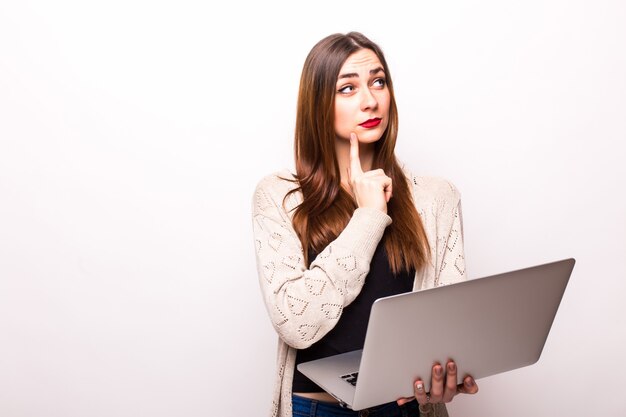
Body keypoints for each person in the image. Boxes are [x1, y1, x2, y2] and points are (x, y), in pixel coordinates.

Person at [252, 31, 479, 417]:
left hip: (403, 408)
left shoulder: (436, 198)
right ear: (318, 104)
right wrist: (369, 217)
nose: (370, 100)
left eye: (378, 81)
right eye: (347, 88)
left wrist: (444, 376)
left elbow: (447, 324)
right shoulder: (280, 197)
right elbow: (295, 322)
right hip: (316, 409)